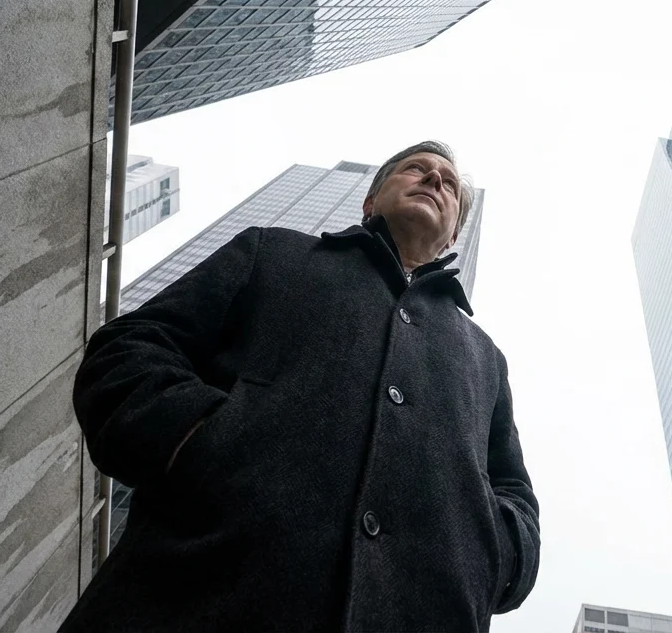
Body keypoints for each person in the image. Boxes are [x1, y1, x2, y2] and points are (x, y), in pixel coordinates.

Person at [62, 142, 539, 632]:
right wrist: (202, 440)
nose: (436, 180)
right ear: (370, 201)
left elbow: (514, 493)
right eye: (416, 169)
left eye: (449, 184)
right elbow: (130, 347)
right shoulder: (271, 252)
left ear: (453, 234)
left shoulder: (486, 358)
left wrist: (489, 559)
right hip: (187, 601)